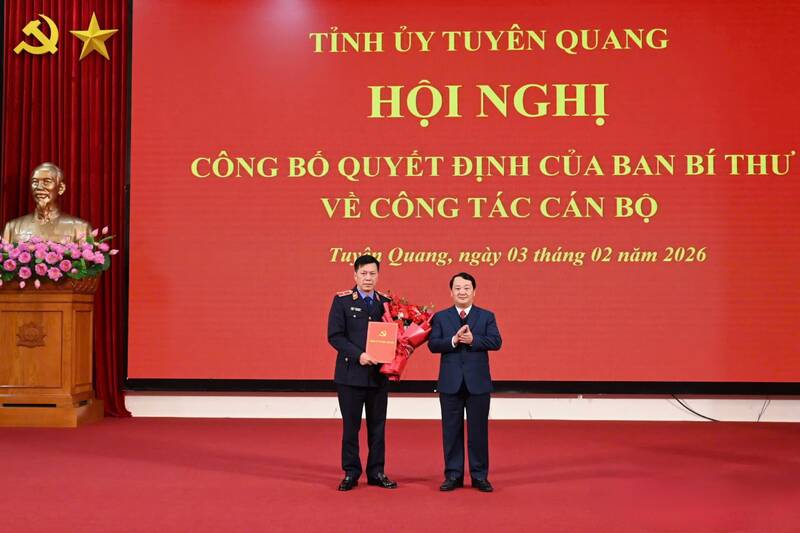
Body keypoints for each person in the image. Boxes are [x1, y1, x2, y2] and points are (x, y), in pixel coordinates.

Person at [327, 254, 397, 491]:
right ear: (355, 274)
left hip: (378, 375)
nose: (368, 278)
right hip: (350, 375)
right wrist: (360, 355)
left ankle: (377, 471)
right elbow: (335, 336)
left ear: (378, 275)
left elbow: (394, 335)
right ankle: (351, 472)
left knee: (378, 427)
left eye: (373, 273)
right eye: (364, 273)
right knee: (351, 427)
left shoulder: (387, 302)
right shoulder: (342, 301)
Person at [428, 272, 502, 492]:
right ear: (451, 292)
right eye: (458, 288)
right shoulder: (441, 317)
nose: (462, 292)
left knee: (478, 431)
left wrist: (474, 340)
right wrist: (453, 340)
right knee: (451, 431)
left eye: (466, 288)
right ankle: (453, 475)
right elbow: (433, 344)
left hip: (478, 383)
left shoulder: (486, 316)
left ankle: (479, 476)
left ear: (474, 291)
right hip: (450, 383)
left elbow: (496, 341)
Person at [2, 162, 92, 243]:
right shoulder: (12, 228)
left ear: (61, 188)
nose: (39, 187)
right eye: (35, 182)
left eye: (47, 182)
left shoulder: (80, 228)